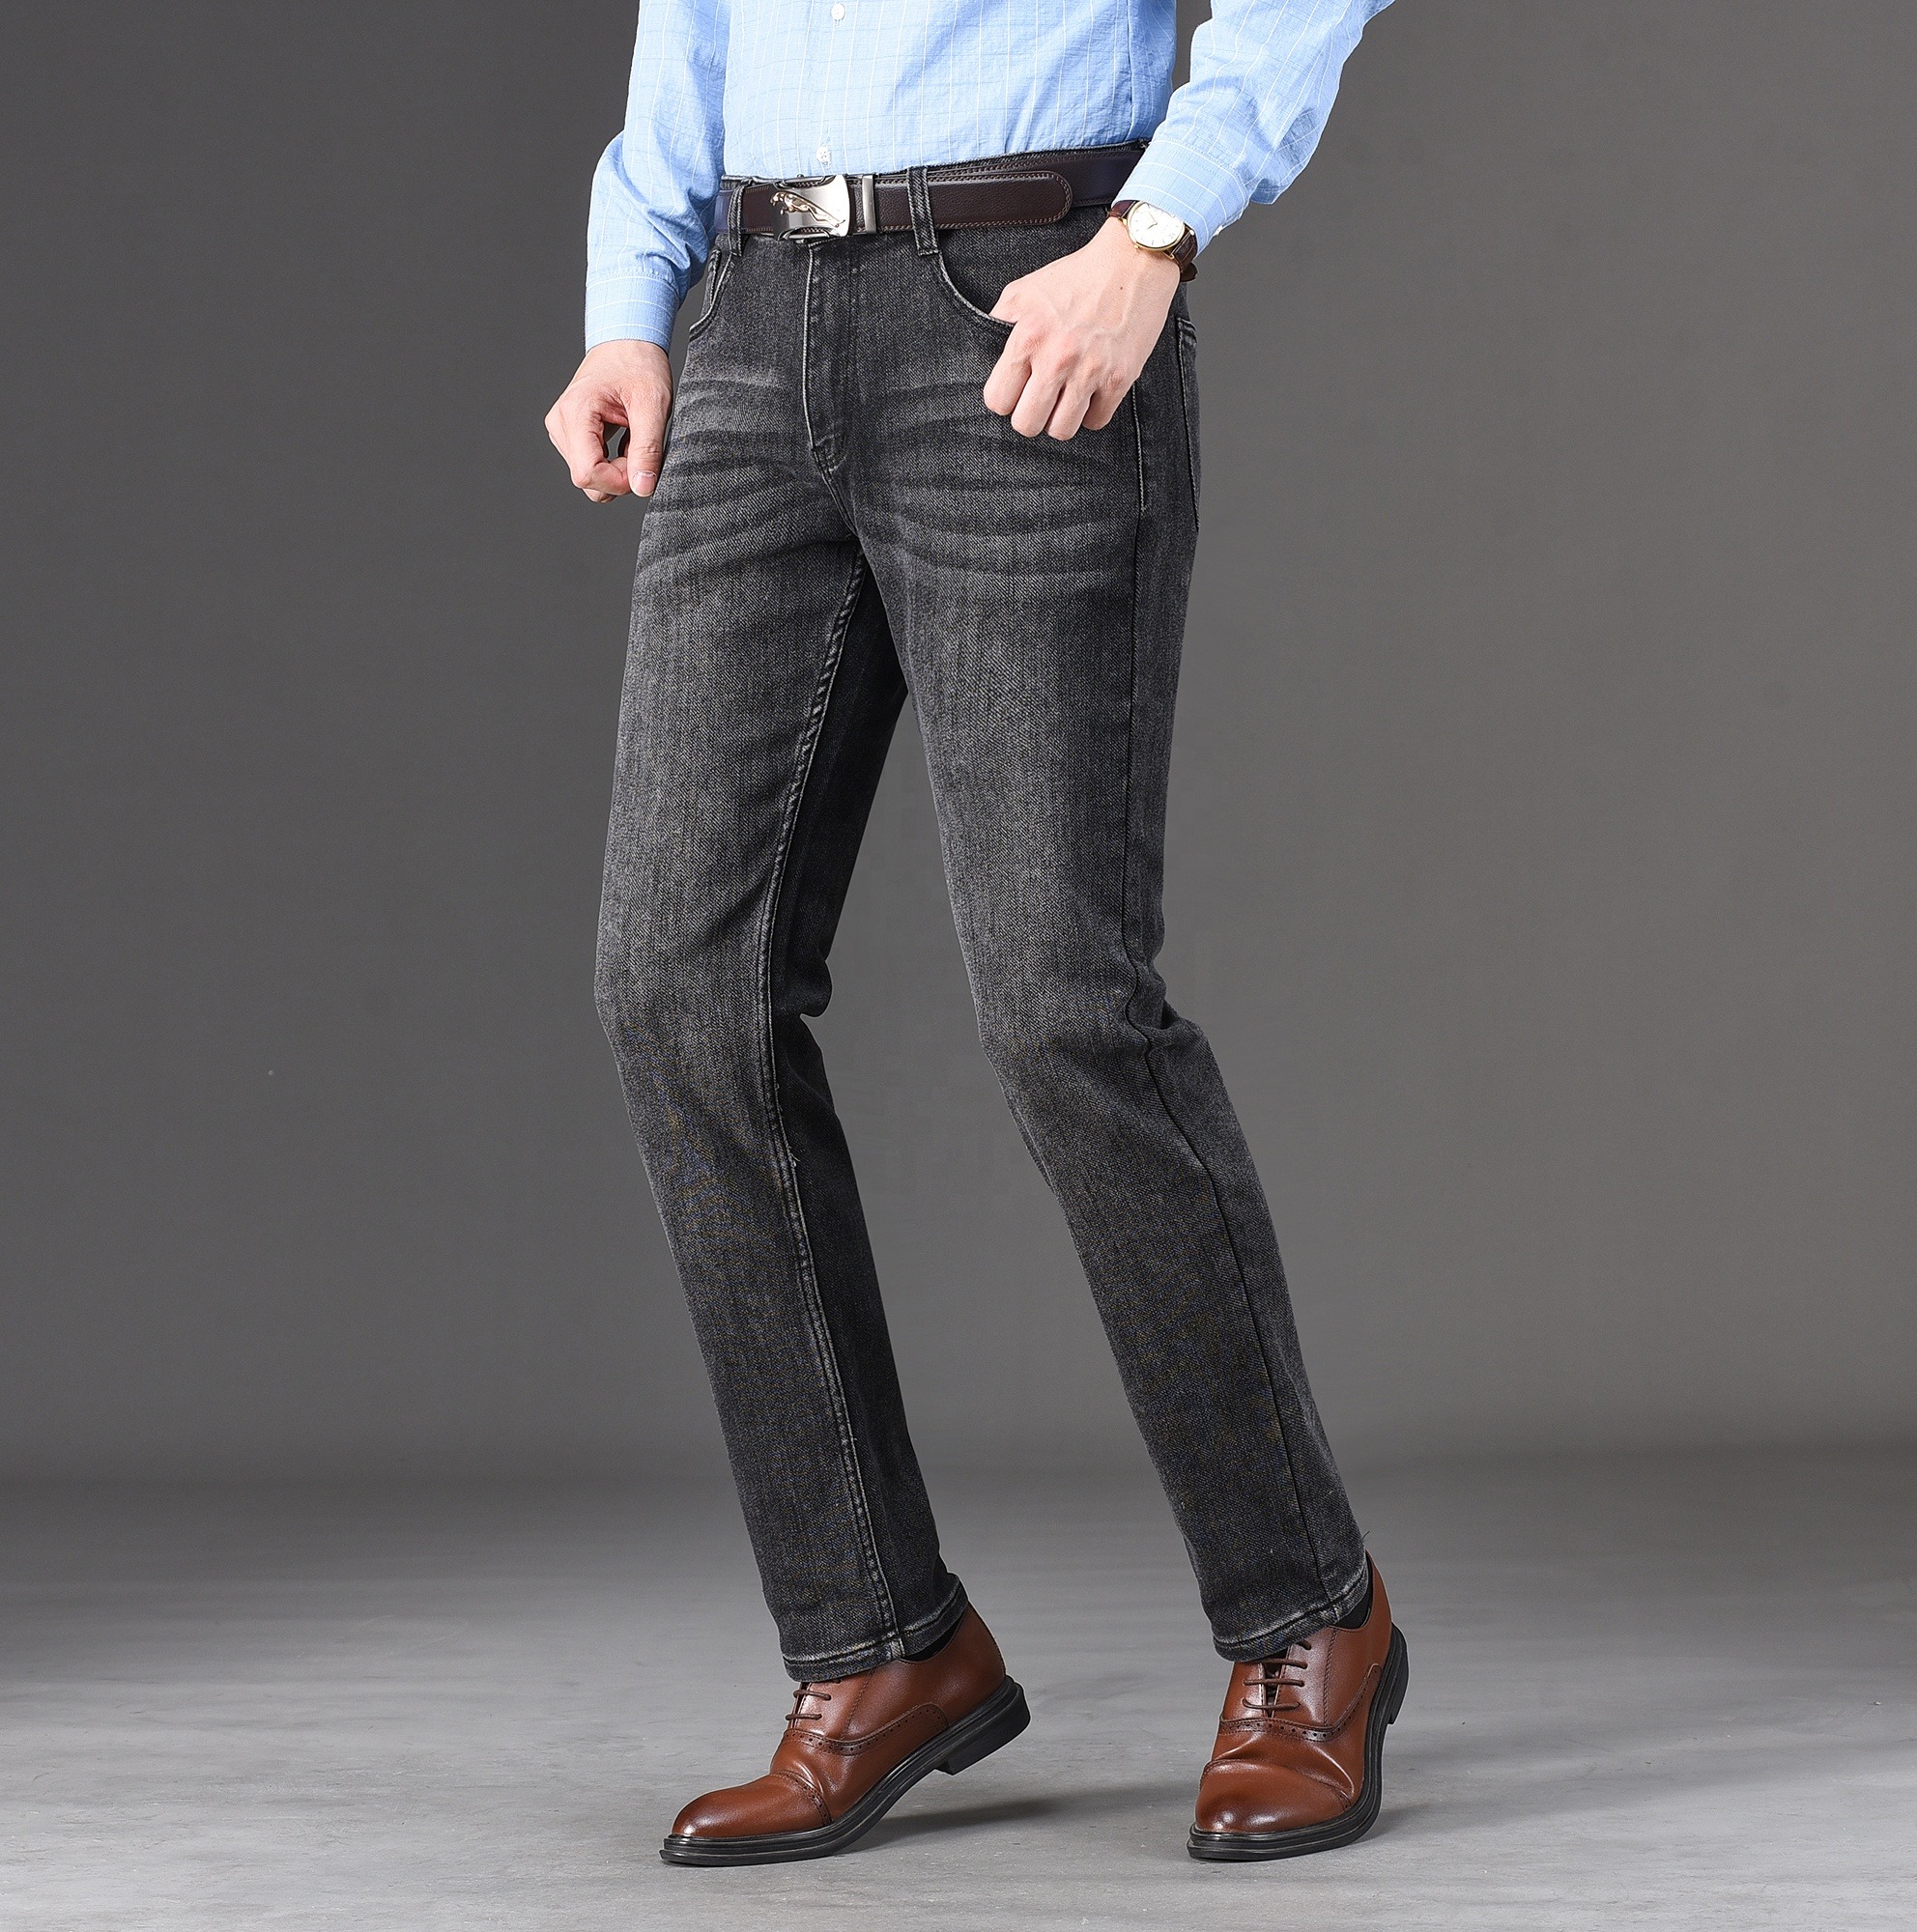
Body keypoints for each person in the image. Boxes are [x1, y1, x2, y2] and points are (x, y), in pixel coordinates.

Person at [545, 0, 1401, 1867]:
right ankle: (880, 1648)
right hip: (748, 323)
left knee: (1062, 1007)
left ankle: (1309, 1617)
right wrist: (634, 298)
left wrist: (1152, 238)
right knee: (675, 992)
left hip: (1021, 302)